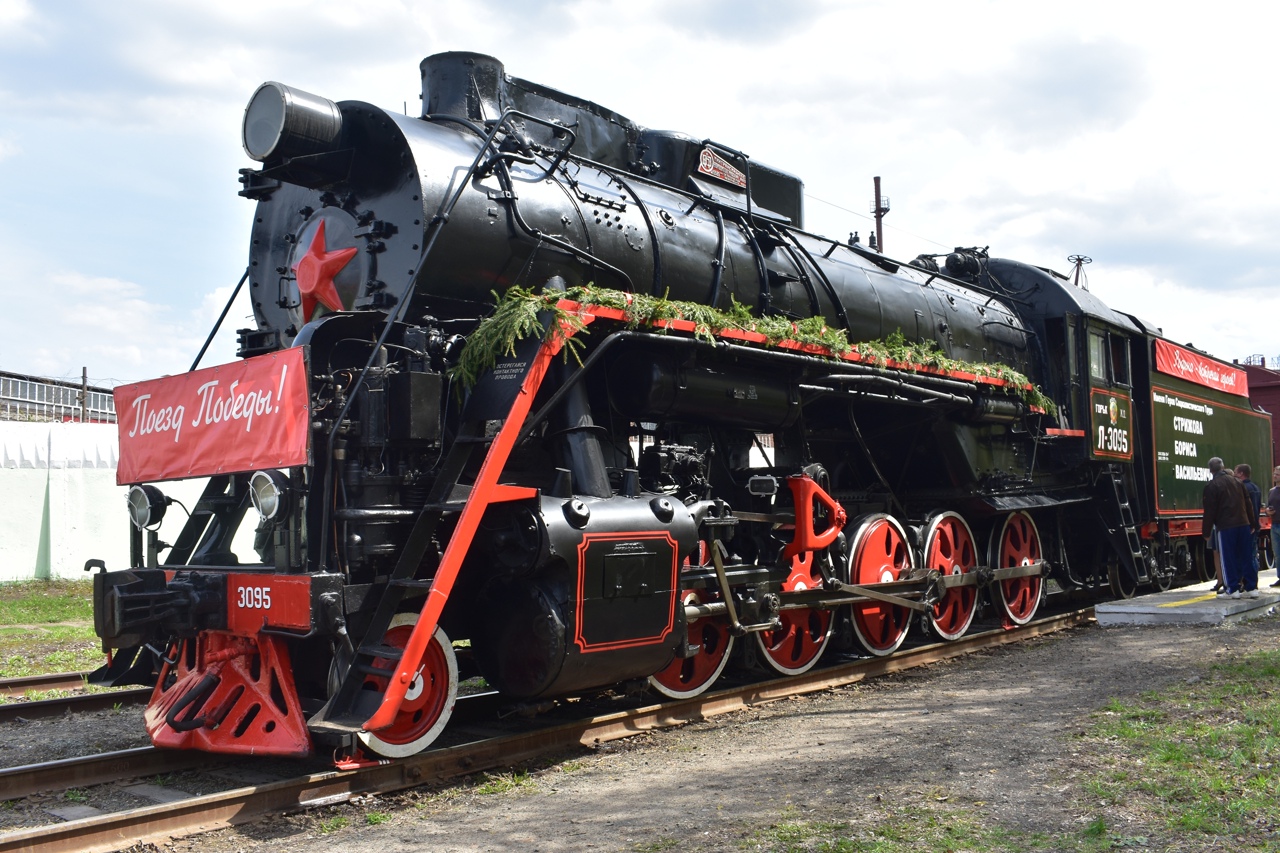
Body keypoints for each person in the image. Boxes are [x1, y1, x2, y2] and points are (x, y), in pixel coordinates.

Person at [1204, 457, 1258, 598]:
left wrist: (1206, 531)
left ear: (1211, 470)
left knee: (1228, 558)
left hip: (1226, 526)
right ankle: (1252, 587)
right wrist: (1252, 523)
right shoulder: (1238, 482)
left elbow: (1210, 511)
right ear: (1223, 467)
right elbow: (1248, 505)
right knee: (1246, 555)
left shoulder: (1212, 486)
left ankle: (1232, 589)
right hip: (1243, 524)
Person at [1236, 464, 1263, 578]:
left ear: (1241, 473)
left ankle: (1249, 582)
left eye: (1236, 472)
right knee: (1252, 554)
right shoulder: (1256, 487)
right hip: (1255, 524)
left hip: (1247, 525)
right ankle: (1253, 580)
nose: (1234, 475)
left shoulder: (1243, 488)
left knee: (1246, 556)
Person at [1268, 466, 1280, 587]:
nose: (1275, 476)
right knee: (1277, 553)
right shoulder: (1272, 491)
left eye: (1277, 474)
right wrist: (1268, 511)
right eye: (1274, 473)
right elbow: (1269, 505)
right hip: (1275, 524)